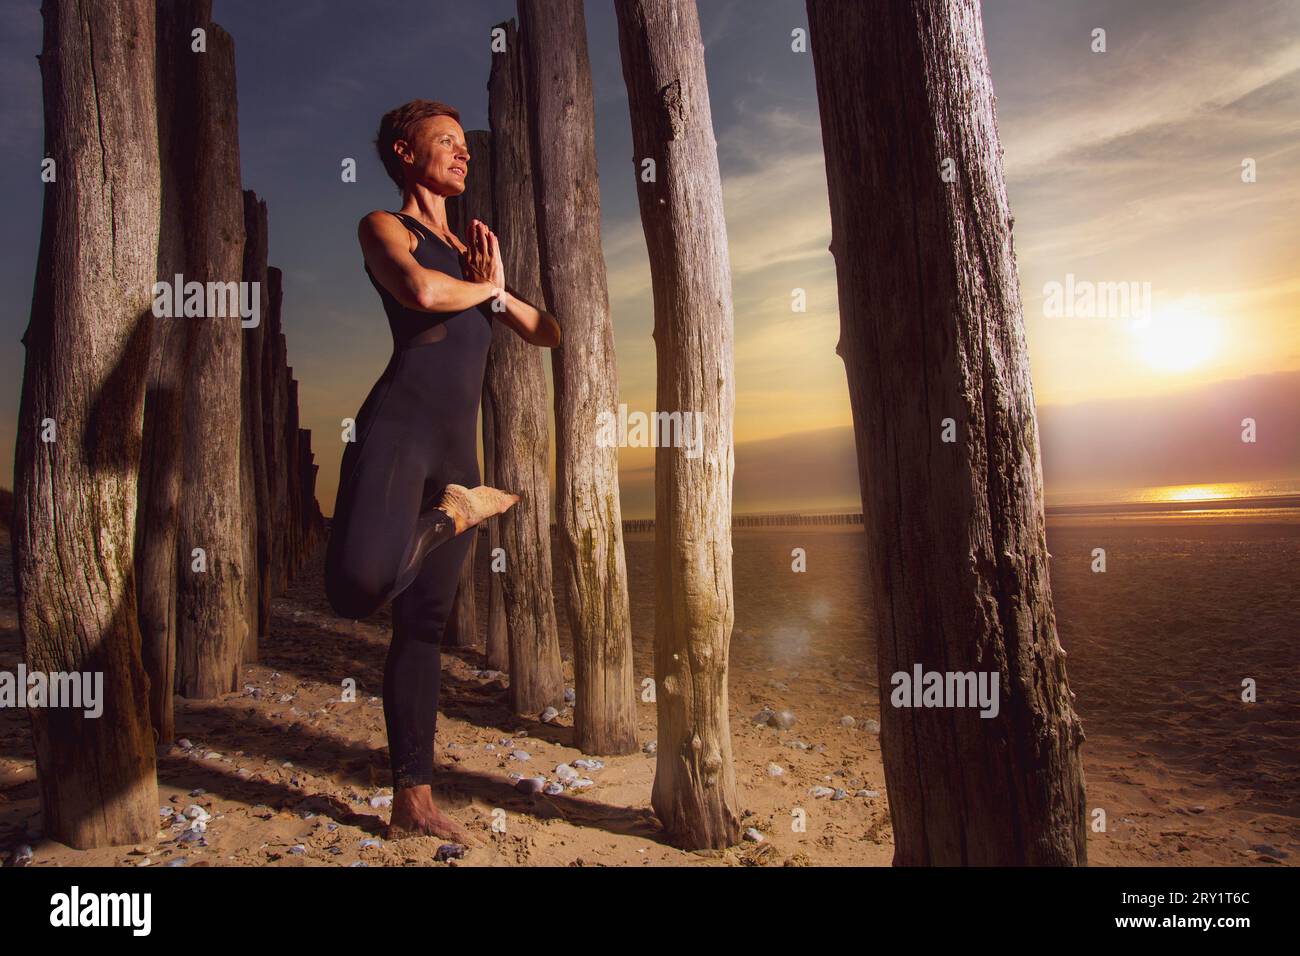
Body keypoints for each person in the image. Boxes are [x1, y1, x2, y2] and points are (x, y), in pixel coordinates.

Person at [324, 99, 561, 842]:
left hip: (460, 449)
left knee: (421, 625)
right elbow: (420, 293)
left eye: (465, 145)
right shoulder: (383, 226)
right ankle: (457, 513)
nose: (462, 154)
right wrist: (485, 290)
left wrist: (498, 285)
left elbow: (547, 331)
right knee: (357, 586)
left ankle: (414, 799)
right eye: (445, 143)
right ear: (403, 151)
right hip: (400, 429)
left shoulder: (474, 258)